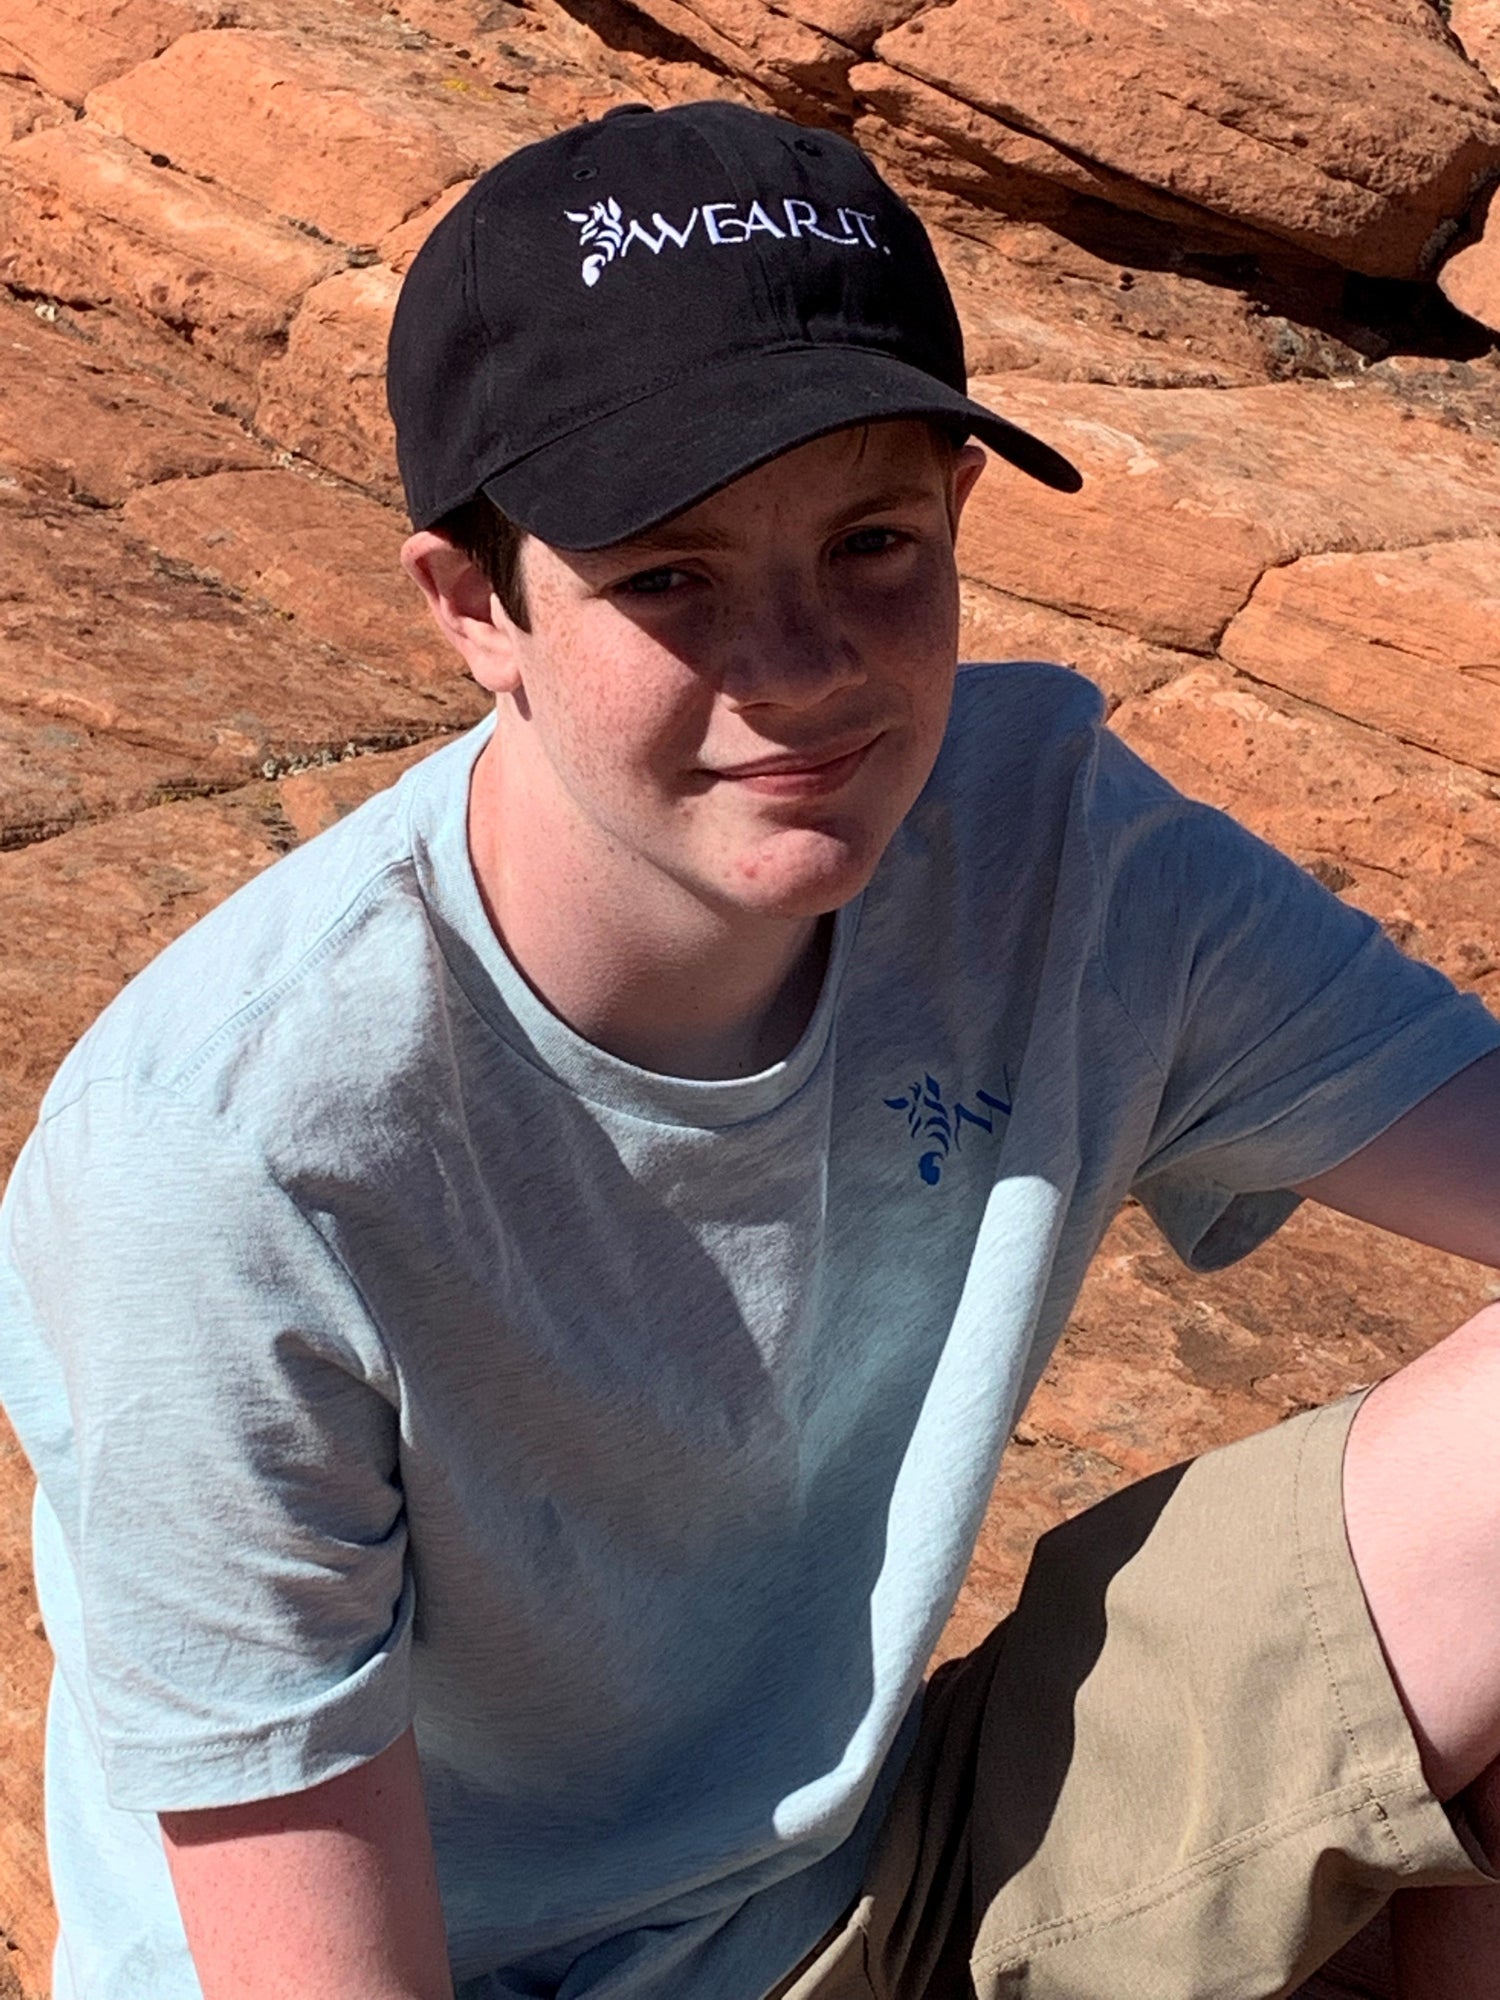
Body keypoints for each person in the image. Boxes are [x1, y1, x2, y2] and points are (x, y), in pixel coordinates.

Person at [0, 97, 1497, 2000]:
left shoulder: (1049, 844)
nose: (799, 667)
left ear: (959, 511)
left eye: (871, 541)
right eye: (668, 578)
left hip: (881, 1881)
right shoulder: (228, 1161)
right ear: (475, 608)